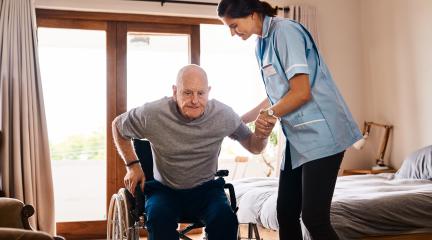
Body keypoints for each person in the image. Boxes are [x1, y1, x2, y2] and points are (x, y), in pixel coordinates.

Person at [217, 1, 363, 239]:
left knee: (314, 218)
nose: (233, 33)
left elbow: (301, 92)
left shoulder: (285, 32)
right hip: (297, 140)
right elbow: (276, 95)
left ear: (252, 14)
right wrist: (238, 120)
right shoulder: (261, 44)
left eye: (234, 25)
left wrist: (271, 114)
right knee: (285, 212)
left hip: (322, 135)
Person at [111, 64, 275, 240]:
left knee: (225, 220)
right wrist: (132, 166)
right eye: (187, 93)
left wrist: (262, 135)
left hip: (206, 190)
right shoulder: (153, 113)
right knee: (159, 222)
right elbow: (118, 127)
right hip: (165, 190)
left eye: (201, 93)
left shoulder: (223, 115)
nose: (195, 100)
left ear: (208, 92)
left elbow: (254, 146)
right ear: (175, 91)